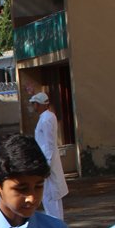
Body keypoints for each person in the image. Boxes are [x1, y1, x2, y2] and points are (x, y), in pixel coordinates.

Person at [30, 92, 68, 220]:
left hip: (48, 161)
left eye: (34, 103)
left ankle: (55, 222)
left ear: (39, 104)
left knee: (50, 195)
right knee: (49, 194)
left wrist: (46, 164)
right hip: (47, 160)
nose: (33, 106)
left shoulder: (46, 119)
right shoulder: (47, 116)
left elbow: (49, 143)